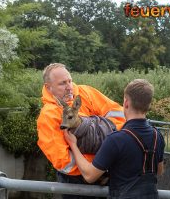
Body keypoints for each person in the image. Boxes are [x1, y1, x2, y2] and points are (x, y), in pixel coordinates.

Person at [64, 79, 165, 199]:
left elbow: (90, 176)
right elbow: (159, 171)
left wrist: (73, 144)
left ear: (126, 103)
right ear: (148, 105)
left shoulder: (116, 139)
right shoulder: (157, 136)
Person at [37, 63, 126, 199]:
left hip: (106, 173)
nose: (69, 87)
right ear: (49, 88)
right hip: (76, 182)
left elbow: (119, 115)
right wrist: (98, 163)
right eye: (62, 84)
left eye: (70, 81)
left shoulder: (85, 92)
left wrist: (103, 132)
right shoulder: (47, 116)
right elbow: (64, 161)